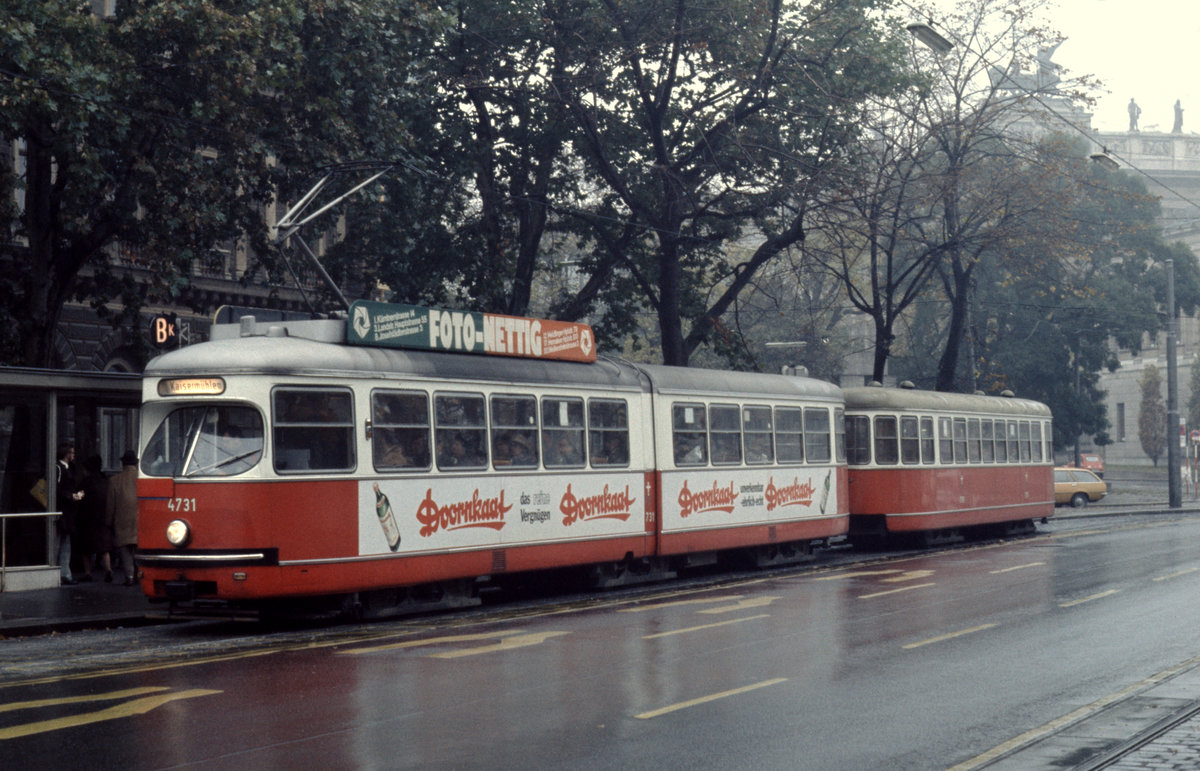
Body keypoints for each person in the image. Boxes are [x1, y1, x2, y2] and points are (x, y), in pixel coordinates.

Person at [77, 454, 113, 582]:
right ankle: (108, 570)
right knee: (103, 547)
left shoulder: (85, 483)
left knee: (85, 548)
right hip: (103, 517)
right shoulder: (105, 480)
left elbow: (79, 497)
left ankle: (88, 572)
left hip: (88, 519)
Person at [106, 450, 139, 586]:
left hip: (122, 520)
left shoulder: (114, 480)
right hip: (140, 520)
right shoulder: (143, 478)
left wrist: (109, 522)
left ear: (123, 463)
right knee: (139, 549)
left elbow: (110, 504)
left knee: (125, 551)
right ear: (136, 463)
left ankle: (129, 576)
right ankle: (139, 574)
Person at [54, 443, 83, 585]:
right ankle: (61, 572)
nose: (73, 455)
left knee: (65, 541)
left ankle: (64, 573)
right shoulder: (58, 468)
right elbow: (56, 490)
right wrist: (71, 496)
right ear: (66, 453)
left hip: (67, 510)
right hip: (62, 509)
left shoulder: (66, 468)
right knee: (59, 542)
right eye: (71, 452)